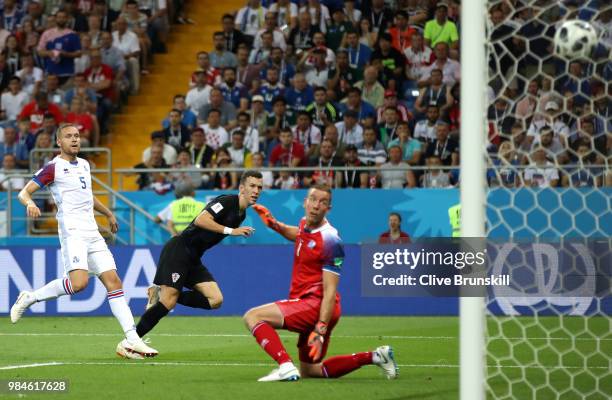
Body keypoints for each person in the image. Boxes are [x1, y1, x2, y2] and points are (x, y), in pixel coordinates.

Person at [10, 123, 158, 359]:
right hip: (72, 232)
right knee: (79, 285)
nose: (74, 140)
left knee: (114, 282)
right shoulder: (53, 168)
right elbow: (23, 192)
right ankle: (30, 297)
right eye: (68, 136)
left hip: (91, 231)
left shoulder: (85, 165)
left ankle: (132, 339)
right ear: (59, 142)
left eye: (77, 136)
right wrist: (30, 203)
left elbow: (86, 197)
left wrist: (107, 214)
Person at [245, 186, 398, 381]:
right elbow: (300, 235)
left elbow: (330, 290)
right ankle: (377, 356)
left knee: (253, 316)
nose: (316, 205)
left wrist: (320, 328)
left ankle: (285, 365)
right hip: (312, 304)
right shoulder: (304, 224)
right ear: (305, 202)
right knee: (311, 370)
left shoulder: (331, 240)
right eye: (313, 199)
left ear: (329, 208)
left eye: (323, 202)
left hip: (317, 305)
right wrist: (274, 225)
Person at [135, 171, 264, 341]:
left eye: (259, 187)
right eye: (252, 186)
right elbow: (201, 220)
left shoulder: (242, 214)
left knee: (215, 300)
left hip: (193, 258)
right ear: (241, 188)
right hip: (179, 249)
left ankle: (158, 292)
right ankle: (132, 340)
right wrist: (231, 231)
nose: (256, 191)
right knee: (168, 302)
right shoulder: (227, 201)